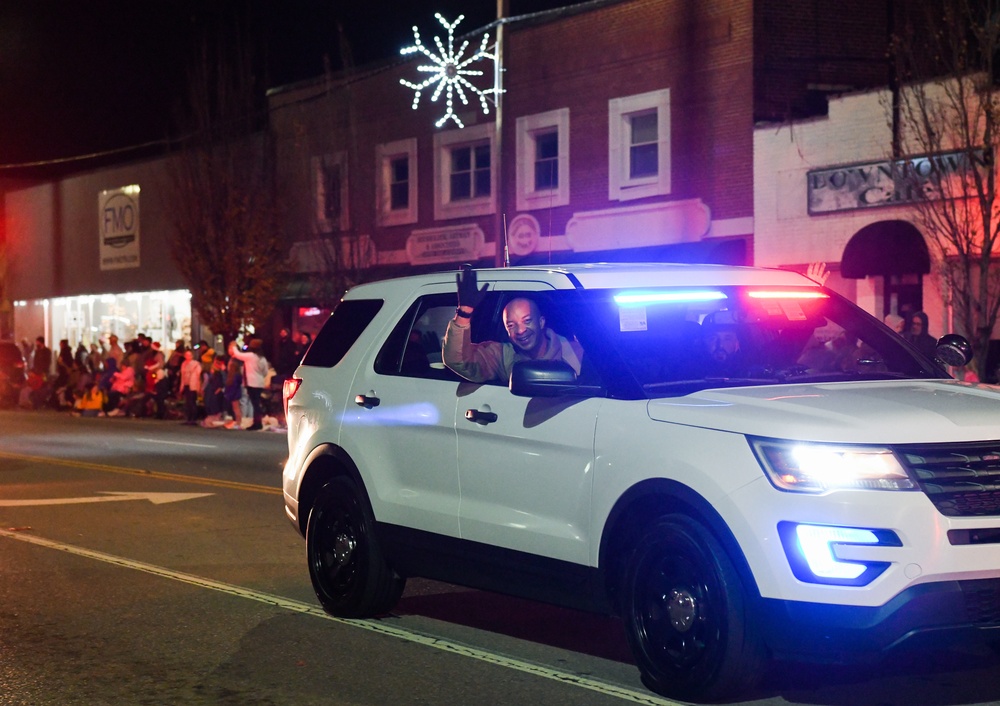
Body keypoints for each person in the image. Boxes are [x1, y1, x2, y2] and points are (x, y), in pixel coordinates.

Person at [442, 265, 583, 383]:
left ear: (541, 322)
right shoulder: (502, 356)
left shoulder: (574, 352)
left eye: (527, 321)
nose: (521, 330)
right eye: (511, 325)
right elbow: (458, 360)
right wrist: (464, 312)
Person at [228, 338, 269, 430]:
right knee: (256, 403)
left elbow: (238, 355)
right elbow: (265, 372)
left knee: (255, 404)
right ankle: (257, 422)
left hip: (251, 383)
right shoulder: (262, 358)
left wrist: (234, 346)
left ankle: (257, 423)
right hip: (259, 382)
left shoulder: (250, 356)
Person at [178, 349, 202, 425]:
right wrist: (181, 386)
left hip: (193, 385)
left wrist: (199, 387)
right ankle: (188, 418)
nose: (188, 356)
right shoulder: (184, 364)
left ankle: (193, 419)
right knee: (187, 402)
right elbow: (182, 376)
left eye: (189, 355)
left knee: (192, 402)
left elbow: (199, 376)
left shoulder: (196, 364)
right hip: (186, 384)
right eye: (186, 355)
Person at [223, 357, 244, 429]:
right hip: (233, 393)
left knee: (236, 408)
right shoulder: (232, 375)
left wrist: (229, 394)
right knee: (235, 408)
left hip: (234, 393)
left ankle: (239, 422)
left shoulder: (236, 375)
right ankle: (237, 422)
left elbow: (234, 386)